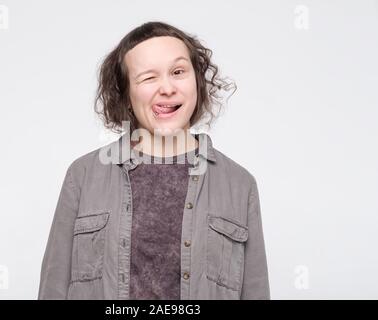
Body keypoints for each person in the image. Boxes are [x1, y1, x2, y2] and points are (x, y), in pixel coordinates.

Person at [38, 21, 270, 300]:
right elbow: (53, 288)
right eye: (148, 77)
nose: (167, 88)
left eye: (178, 72)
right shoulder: (83, 175)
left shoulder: (239, 184)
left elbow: (256, 293)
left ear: (197, 81)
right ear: (125, 94)